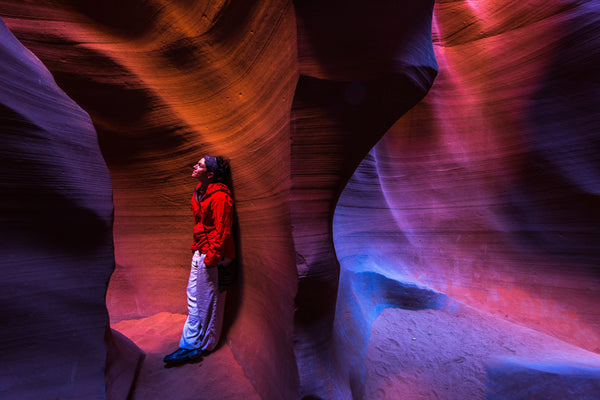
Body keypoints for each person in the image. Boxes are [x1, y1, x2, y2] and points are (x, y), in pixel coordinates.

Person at [163, 156, 236, 366]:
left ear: (210, 174)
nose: (195, 166)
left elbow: (222, 229)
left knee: (208, 302)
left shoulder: (220, 196)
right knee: (194, 296)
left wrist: (212, 258)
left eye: (200, 165)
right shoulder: (200, 191)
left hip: (213, 254)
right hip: (201, 250)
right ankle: (191, 343)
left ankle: (203, 345)